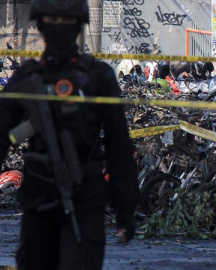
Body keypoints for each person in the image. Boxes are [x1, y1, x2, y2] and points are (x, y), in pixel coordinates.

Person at [0, 0, 139, 269]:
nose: (59, 28)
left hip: (83, 194)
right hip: (40, 193)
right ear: (41, 25)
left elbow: (118, 144)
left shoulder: (97, 77)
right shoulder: (29, 77)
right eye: (53, 22)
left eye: (66, 22)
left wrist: (125, 209)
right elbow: (2, 134)